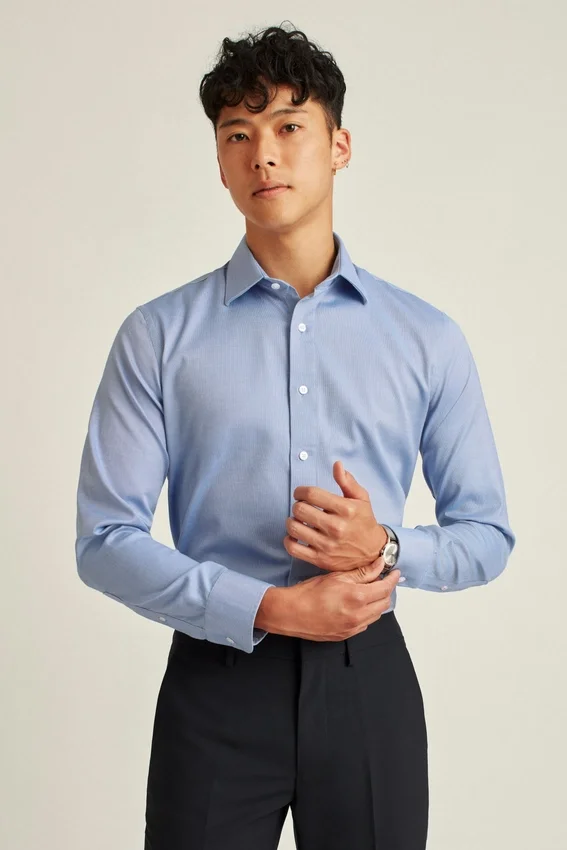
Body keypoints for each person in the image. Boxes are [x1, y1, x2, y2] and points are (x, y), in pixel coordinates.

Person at [74, 21, 516, 850]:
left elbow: (487, 536)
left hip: (365, 683)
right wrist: (270, 607)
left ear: (338, 146)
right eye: (237, 135)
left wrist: (385, 547)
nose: (263, 156)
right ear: (218, 162)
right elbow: (103, 541)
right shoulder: (157, 337)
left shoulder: (426, 338)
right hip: (216, 683)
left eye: (287, 127)